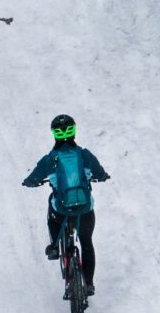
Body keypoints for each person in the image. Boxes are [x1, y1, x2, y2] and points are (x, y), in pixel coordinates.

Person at [21, 113, 109, 292]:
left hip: (61, 212)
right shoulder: (85, 156)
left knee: (51, 208)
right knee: (86, 242)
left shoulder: (50, 159)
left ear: (54, 134)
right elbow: (100, 172)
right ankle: (89, 284)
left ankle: (54, 247)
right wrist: (102, 177)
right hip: (85, 211)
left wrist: (30, 182)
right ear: (74, 131)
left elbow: (32, 178)